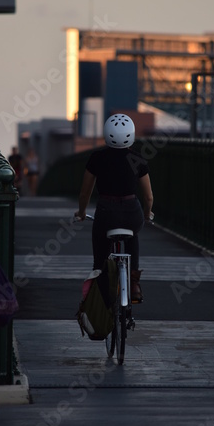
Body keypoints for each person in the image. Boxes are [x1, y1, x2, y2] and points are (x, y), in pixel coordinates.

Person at [75, 113, 154, 302]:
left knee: (100, 256)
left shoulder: (97, 158)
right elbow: (148, 196)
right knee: (133, 234)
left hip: (106, 213)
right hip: (132, 212)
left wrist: (82, 212)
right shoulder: (138, 159)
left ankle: (102, 291)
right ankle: (134, 284)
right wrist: (146, 213)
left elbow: (85, 193)